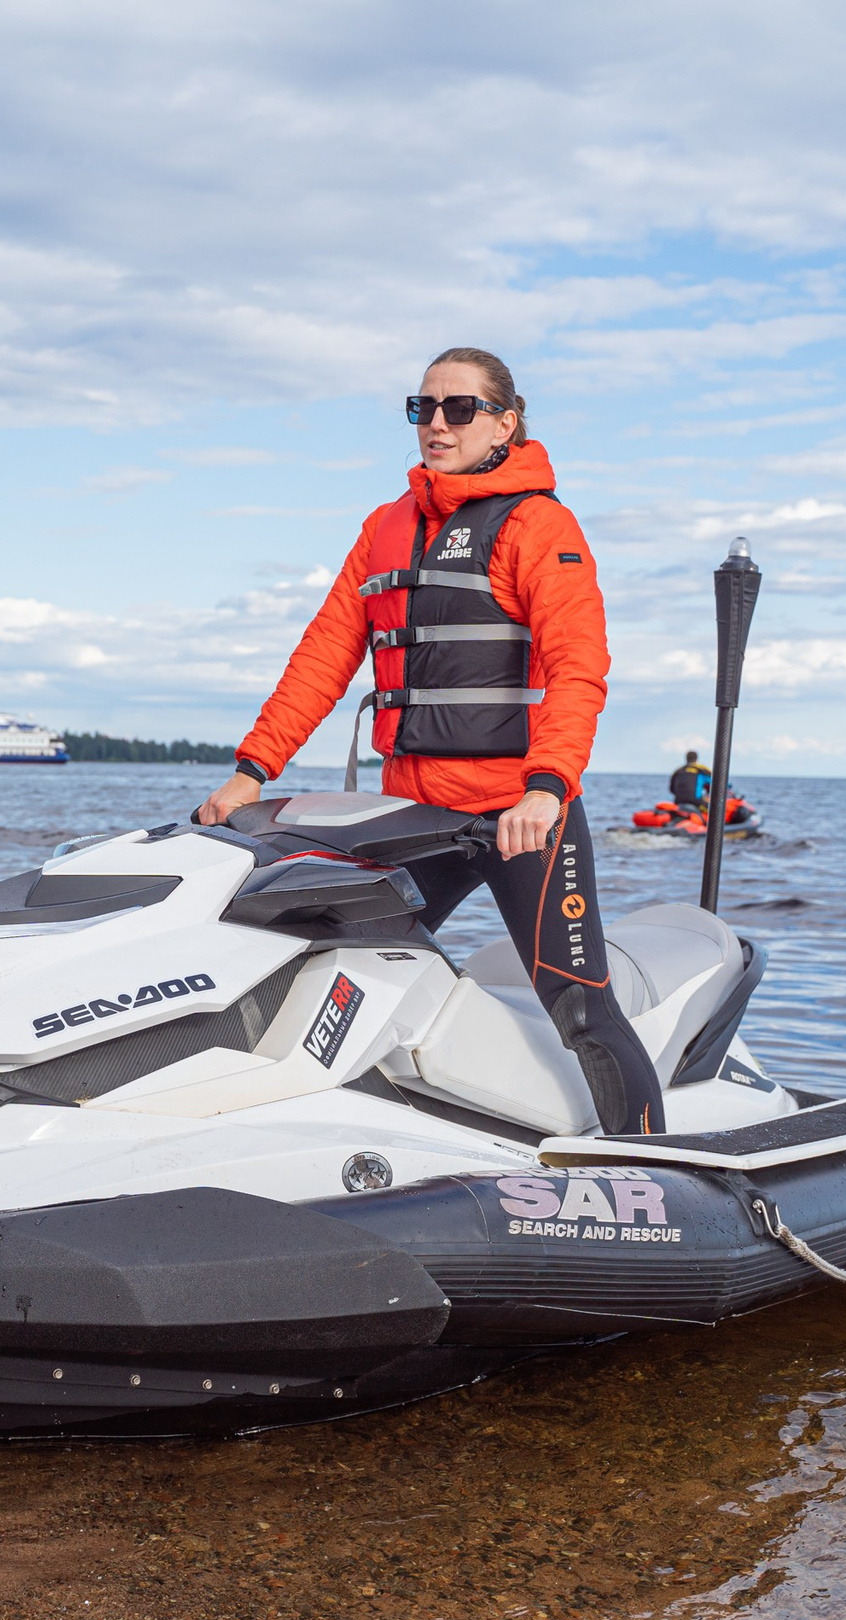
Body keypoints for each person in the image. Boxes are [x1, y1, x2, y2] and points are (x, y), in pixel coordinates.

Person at [196, 346, 667, 1135]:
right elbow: (321, 659)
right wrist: (252, 769)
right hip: (416, 818)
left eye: (459, 408)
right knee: (329, 970)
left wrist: (547, 787)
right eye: (423, 408)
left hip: (521, 818)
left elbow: (578, 668)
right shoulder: (384, 529)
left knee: (580, 1004)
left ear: (505, 423)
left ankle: (652, 1161)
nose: (437, 424)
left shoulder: (538, 525)